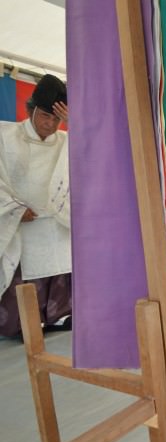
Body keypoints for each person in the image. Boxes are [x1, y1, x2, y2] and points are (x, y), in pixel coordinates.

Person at [0, 74, 72, 338]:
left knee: (58, 270)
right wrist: (13, 208)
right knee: (22, 276)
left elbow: (93, 158)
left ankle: (58, 316)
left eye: (57, 118)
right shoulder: (6, 135)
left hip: (56, 222)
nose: (50, 123)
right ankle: (20, 325)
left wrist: (76, 123)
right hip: (19, 220)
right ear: (31, 110)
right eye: (44, 115)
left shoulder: (67, 141)